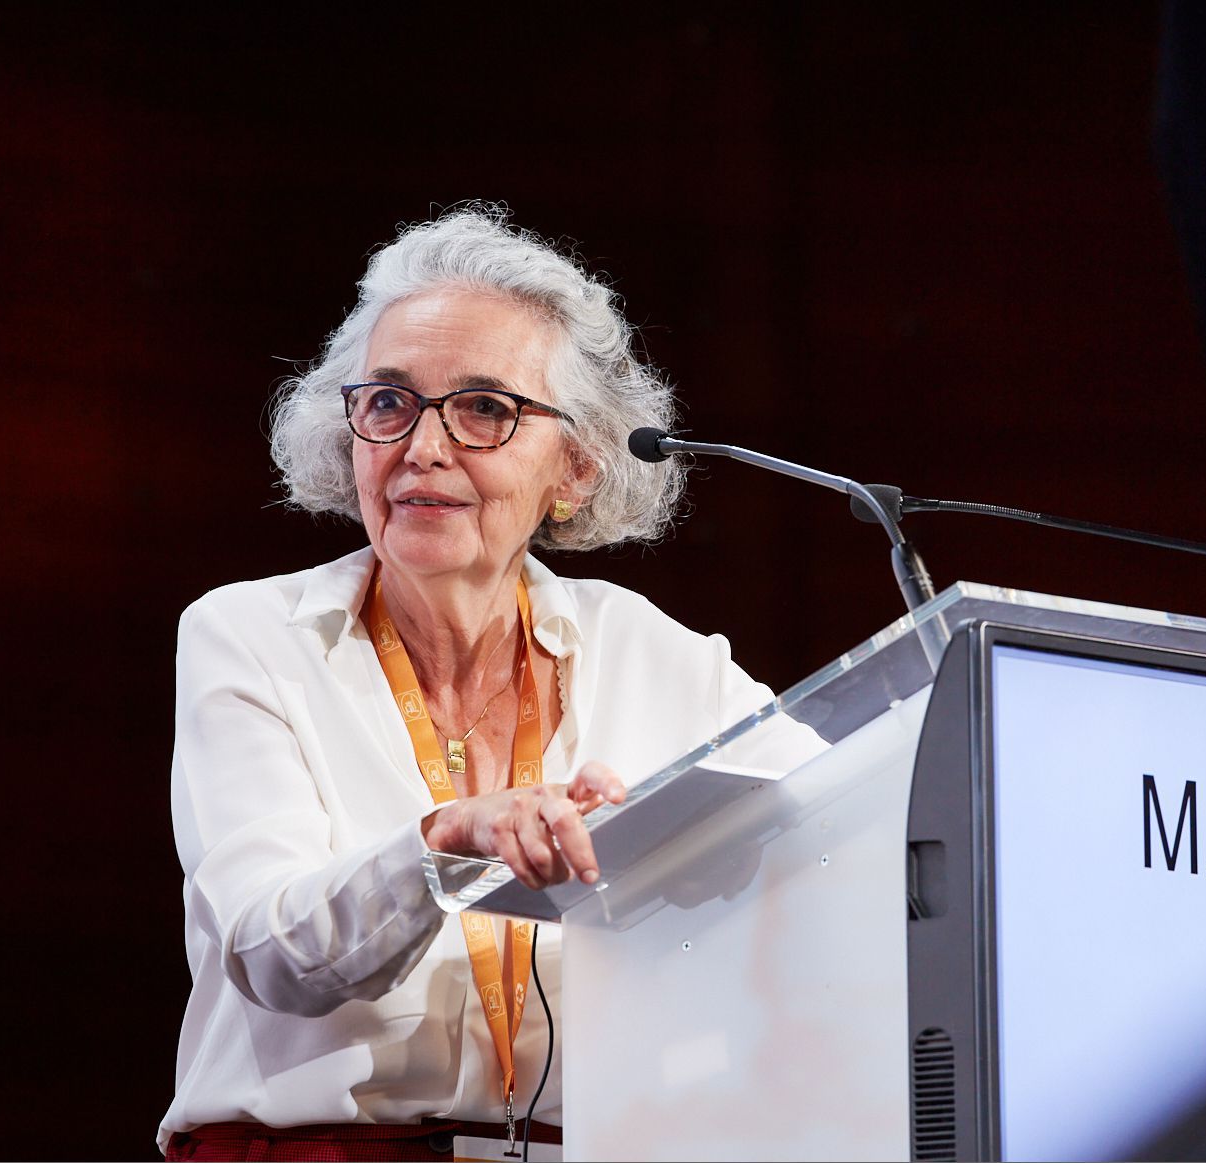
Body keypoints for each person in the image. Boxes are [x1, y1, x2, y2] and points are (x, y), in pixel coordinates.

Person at [159, 207, 811, 1161]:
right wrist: (444, 840)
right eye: (389, 403)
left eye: (484, 409)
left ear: (577, 467)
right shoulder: (250, 635)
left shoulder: (651, 652)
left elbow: (842, 808)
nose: (423, 446)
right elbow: (270, 948)